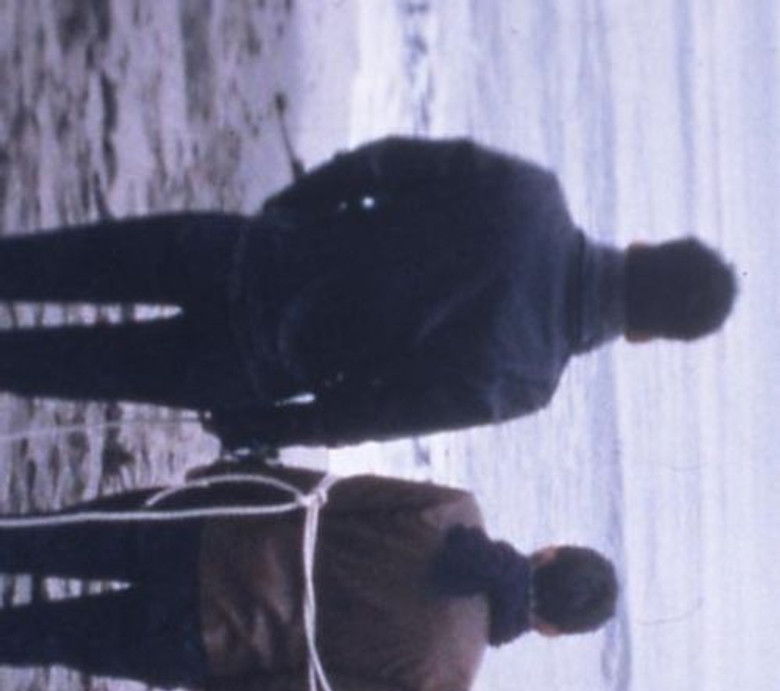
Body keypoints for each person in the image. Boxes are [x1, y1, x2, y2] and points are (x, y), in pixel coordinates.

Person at [0, 137, 737, 449]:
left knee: (33, 265)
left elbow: (381, 163)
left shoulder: (531, 196)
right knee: (38, 366)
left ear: (643, 245)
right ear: (644, 335)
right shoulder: (528, 380)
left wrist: (286, 214)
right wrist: (262, 430)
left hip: (243, 252)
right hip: (248, 366)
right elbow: (369, 416)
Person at [0, 457, 617, 691]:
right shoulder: (451, 675)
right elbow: (309, 688)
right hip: (210, 639)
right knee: (39, 638)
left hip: (209, 532)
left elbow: (320, 492)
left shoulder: (453, 511)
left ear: (548, 552)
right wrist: (219, 686)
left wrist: (223, 476)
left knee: (41, 537)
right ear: (550, 630)